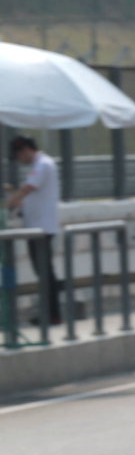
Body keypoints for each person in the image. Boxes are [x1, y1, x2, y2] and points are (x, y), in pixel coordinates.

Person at [5, 136, 63, 325]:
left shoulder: (43, 164)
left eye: (18, 156)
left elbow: (28, 188)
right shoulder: (40, 165)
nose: (19, 160)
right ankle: (50, 313)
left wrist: (10, 202)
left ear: (25, 150)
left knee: (45, 273)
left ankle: (52, 315)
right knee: (44, 273)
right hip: (37, 228)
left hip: (41, 229)